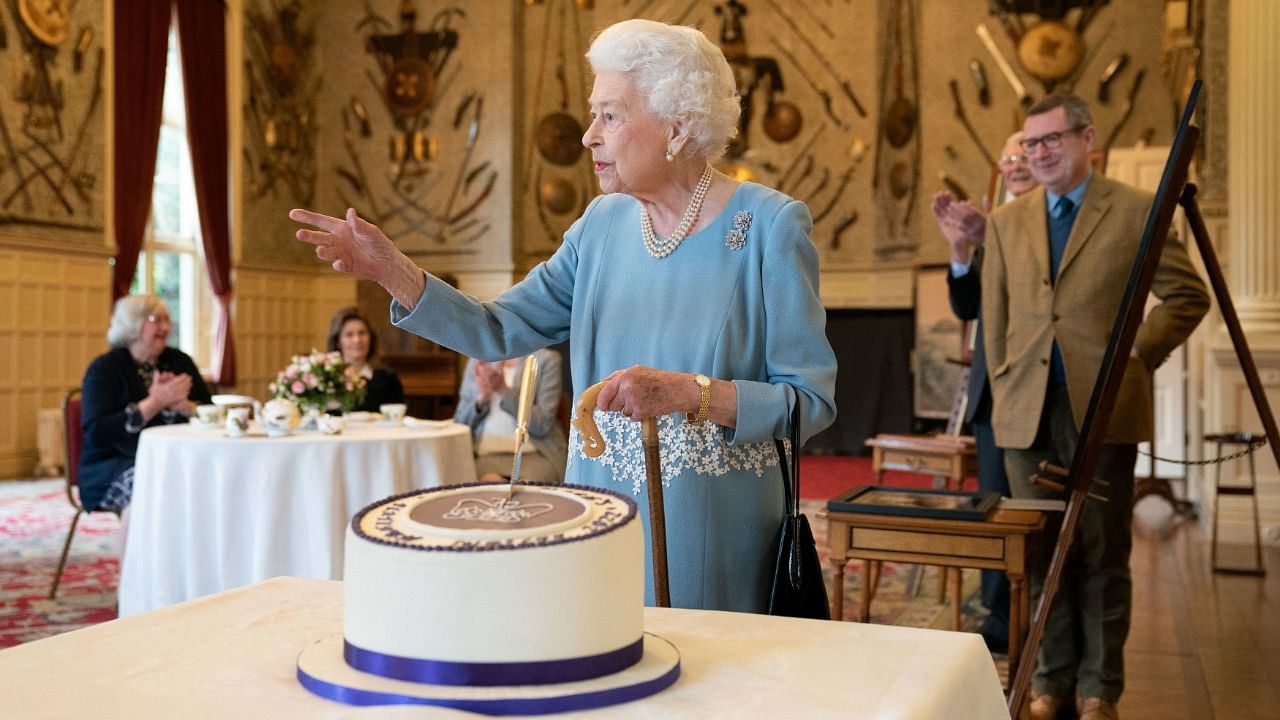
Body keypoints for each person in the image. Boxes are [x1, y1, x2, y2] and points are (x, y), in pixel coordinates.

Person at [290, 18, 837, 613]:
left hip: (716, 534)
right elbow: (495, 329)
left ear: (677, 127)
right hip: (598, 515)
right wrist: (392, 269)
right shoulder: (599, 228)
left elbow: (810, 401)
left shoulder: (769, 226)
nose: (587, 136)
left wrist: (692, 393)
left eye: (610, 115)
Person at [982, 94, 1209, 720]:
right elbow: (997, 321)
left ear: (1088, 140)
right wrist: (1004, 392)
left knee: (1103, 552)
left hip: (1103, 409)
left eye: (1053, 139)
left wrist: (1143, 349)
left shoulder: (1138, 211)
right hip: (1025, 414)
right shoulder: (1006, 221)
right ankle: (1051, 679)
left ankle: (1099, 689)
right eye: (1032, 144)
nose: (1041, 153)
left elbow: (1188, 296)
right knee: (1042, 548)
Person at [929, 131, 1039, 654]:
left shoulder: (1047, 223)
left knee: (1032, 509)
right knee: (993, 504)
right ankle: (999, 618)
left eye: (1026, 153)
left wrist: (990, 233)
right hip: (993, 391)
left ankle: (1039, 611)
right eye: (1009, 155)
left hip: (1043, 386)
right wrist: (959, 249)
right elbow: (969, 305)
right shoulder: (991, 219)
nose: (1016, 162)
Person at [79, 295, 212, 514]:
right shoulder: (105, 368)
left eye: (167, 320)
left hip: (178, 458)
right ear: (133, 323)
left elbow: (210, 411)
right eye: (156, 320)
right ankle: (141, 549)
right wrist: (154, 403)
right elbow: (96, 431)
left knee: (212, 479)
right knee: (153, 486)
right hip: (112, 464)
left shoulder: (180, 361)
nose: (165, 327)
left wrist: (186, 407)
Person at [454, 348, 568, 484]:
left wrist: (503, 390)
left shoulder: (546, 359)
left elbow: (542, 425)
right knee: (489, 490)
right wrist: (482, 398)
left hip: (535, 454)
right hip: (486, 455)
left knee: (526, 494)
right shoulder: (477, 360)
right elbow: (460, 423)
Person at [326, 306, 404, 412]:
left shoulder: (388, 379)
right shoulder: (327, 379)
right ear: (338, 342)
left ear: (371, 338)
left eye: (362, 333)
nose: (357, 340)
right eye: (349, 335)